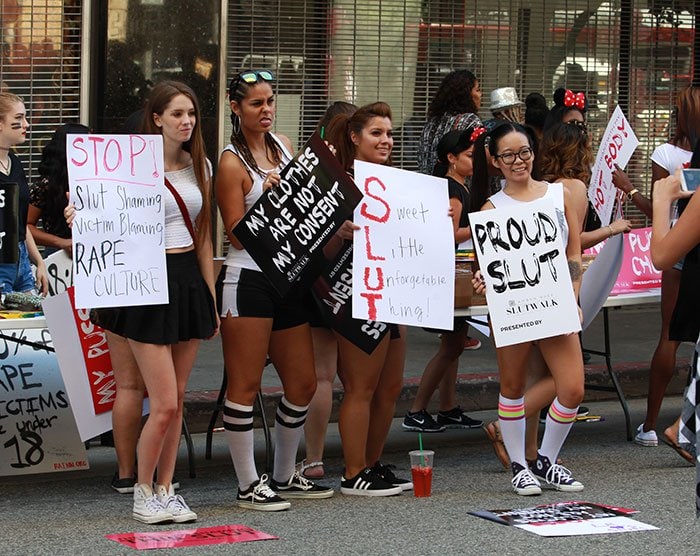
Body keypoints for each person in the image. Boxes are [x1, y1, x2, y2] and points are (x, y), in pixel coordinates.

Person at [67, 80, 218, 524]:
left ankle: (167, 488)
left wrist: (210, 297)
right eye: (176, 114)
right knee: (165, 401)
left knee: (179, 398)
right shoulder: (130, 168)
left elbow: (206, 234)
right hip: (144, 284)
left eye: (190, 113)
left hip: (188, 280)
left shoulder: (200, 165)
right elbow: (102, 217)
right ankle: (143, 489)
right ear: (156, 119)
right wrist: (81, 215)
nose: (186, 121)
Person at [215, 69, 333, 511]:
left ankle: (283, 474)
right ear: (235, 107)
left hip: (289, 274)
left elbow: (306, 207)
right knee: (244, 386)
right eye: (255, 104)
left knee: (302, 383)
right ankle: (248, 483)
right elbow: (236, 235)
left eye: (269, 102)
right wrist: (267, 197)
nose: (265, 111)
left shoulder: (283, 145)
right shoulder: (231, 162)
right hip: (248, 278)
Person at [470, 122, 585, 495]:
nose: (518, 161)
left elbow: (573, 253)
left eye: (524, 152)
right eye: (508, 155)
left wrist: (574, 296)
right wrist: (481, 282)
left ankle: (546, 460)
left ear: (534, 153)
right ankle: (520, 465)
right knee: (513, 386)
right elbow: (483, 268)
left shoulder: (558, 194)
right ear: (495, 161)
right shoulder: (491, 208)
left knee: (573, 388)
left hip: (555, 305)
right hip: (513, 308)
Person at [324, 101, 411, 496]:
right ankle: (353, 471)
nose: (386, 140)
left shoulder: (398, 182)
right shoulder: (339, 183)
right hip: (354, 294)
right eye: (377, 133)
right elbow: (318, 246)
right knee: (361, 387)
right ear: (355, 138)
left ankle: (373, 464)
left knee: (390, 387)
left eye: (390, 134)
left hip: (392, 291)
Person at [612, 85, 700, 447]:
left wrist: (630, 190)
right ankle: (681, 424)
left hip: (680, 245)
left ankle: (652, 424)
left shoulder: (667, 153)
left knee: (669, 335)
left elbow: (656, 217)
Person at [402, 126, 485, 433]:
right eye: (468, 155)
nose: (474, 159)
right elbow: (450, 234)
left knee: (454, 344)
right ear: (451, 158)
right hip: (451, 275)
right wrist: (481, 224)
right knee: (450, 346)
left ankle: (448, 407)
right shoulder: (453, 190)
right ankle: (416, 409)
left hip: (456, 274)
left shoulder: (458, 186)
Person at [299, 100, 358, 480]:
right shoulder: (367, 177)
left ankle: (314, 457)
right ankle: (360, 456)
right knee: (357, 379)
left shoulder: (315, 175)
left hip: (318, 281)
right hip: (359, 281)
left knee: (323, 375)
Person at [0, 92, 48, 296]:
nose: (26, 124)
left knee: (35, 321)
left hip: (21, 260)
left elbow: (18, 219)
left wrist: (39, 261)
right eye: (18, 119)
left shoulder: (16, 164)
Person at [27, 123, 89, 256]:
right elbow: (27, 226)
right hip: (59, 254)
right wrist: (61, 242)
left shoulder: (96, 182)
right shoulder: (47, 185)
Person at [417, 69, 482, 176]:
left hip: (428, 186)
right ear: (466, 94)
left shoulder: (431, 122)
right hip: (455, 188)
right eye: (477, 90)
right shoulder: (470, 121)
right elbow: (479, 161)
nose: (480, 94)